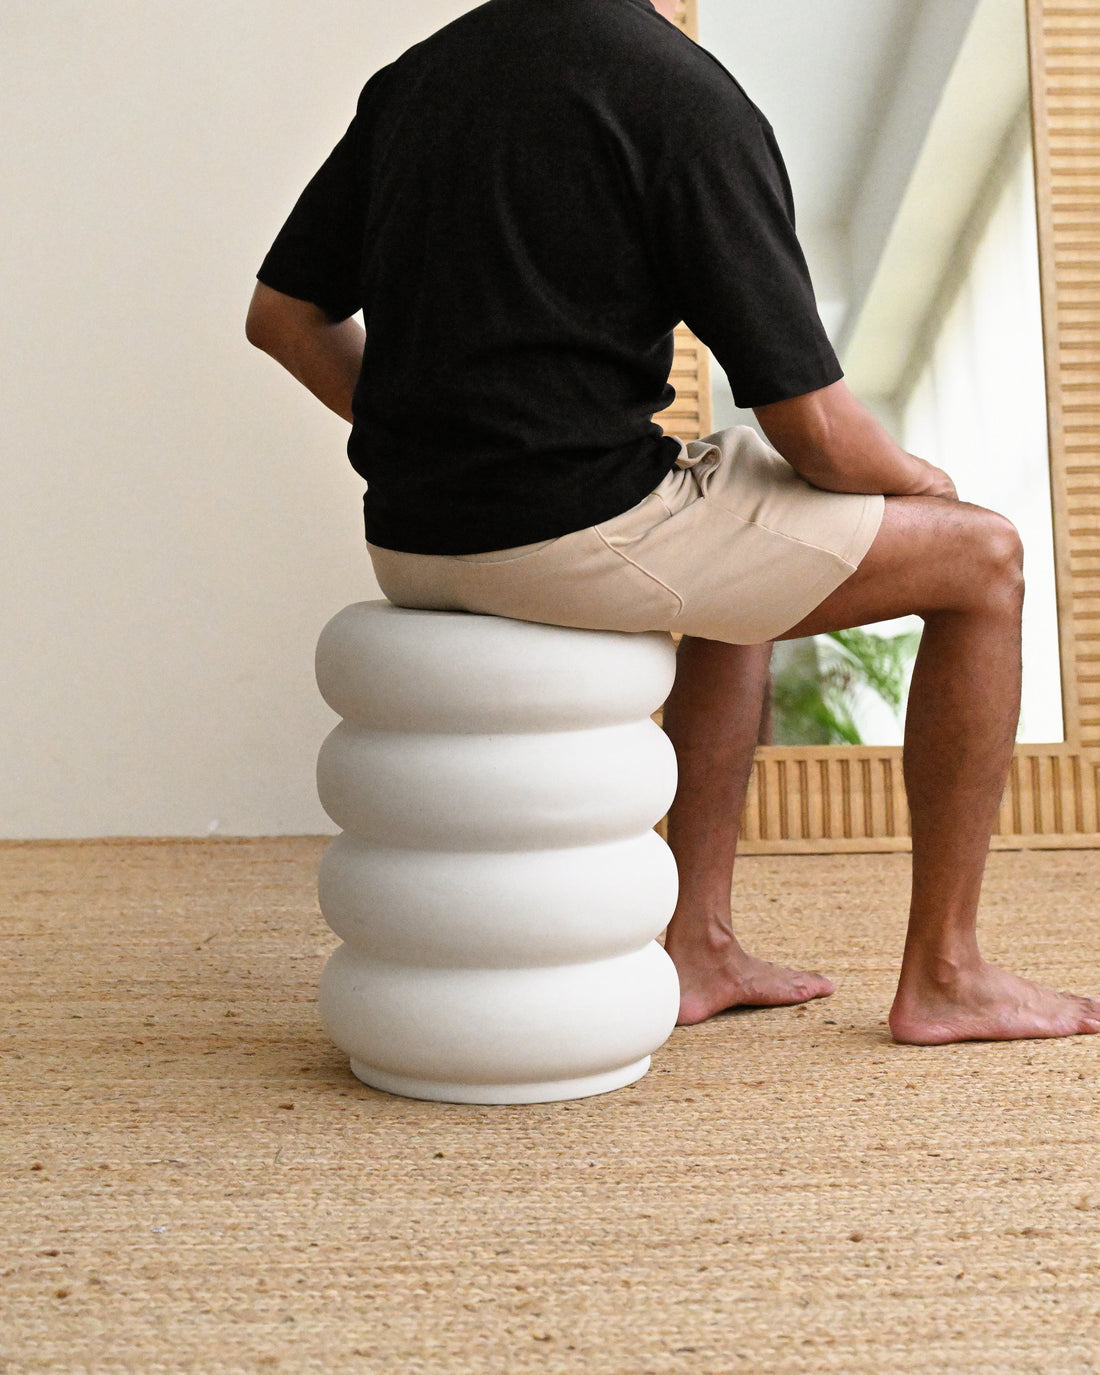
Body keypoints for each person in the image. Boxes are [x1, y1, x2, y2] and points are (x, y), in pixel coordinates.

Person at [247, 0, 1100, 1044]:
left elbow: (281, 317)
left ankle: (696, 942)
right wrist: (928, 489)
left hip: (411, 541)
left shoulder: (419, 77)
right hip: (567, 536)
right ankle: (946, 974)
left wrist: (431, 436)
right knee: (984, 559)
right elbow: (817, 430)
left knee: (734, 515)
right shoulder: (680, 97)